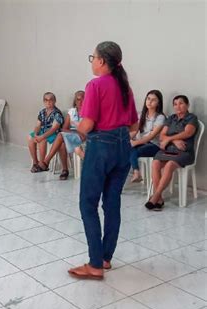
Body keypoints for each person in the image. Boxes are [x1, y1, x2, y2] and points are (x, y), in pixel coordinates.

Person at [68, 41, 138, 280]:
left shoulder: (95, 85)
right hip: (123, 149)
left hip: (101, 147)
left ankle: (95, 264)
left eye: (93, 57)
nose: (92, 62)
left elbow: (87, 124)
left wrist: (74, 131)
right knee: (112, 203)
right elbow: (134, 125)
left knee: (88, 204)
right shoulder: (125, 87)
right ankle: (106, 257)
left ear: (101, 61)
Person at [146, 95, 198, 210]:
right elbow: (162, 135)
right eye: (175, 104)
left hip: (184, 152)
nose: (178, 106)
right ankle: (159, 198)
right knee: (155, 163)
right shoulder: (171, 118)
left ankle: (155, 196)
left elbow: (188, 133)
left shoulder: (192, 118)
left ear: (187, 105)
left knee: (169, 165)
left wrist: (169, 139)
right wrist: (173, 140)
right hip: (168, 150)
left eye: (181, 103)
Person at [39, 91, 85, 179]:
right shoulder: (72, 112)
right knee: (62, 141)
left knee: (60, 136)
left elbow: (87, 130)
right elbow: (64, 128)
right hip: (73, 134)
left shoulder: (89, 111)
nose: (81, 101)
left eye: (83, 99)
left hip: (83, 137)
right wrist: (74, 132)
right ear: (75, 101)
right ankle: (64, 170)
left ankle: (46, 162)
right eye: (78, 99)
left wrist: (78, 132)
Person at [129, 90, 166, 183]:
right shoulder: (141, 115)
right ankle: (136, 173)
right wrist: (126, 139)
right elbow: (134, 131)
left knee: (134, 150)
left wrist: (135, 143)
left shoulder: (160, 117)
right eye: (148, 99)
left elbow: (152, 136)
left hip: (154, 145)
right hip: (142, 143)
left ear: (158, 103)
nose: (149, 102)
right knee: (126, 148)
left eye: (153, 100)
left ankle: (136, 172)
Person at [27, 92, 64, 173]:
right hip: (42, 132)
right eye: (46, 100)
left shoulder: (57, 113)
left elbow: (54, 129)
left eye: (51, 100)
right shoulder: (42, 112)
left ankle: (42, 164)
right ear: (43, 101)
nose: (48, 102)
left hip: (53, 134)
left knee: (42, 140)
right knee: (30, 137)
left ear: (55, 101)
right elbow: (37, 126)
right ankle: (35, 162)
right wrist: (36, 134)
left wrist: (42, 137)